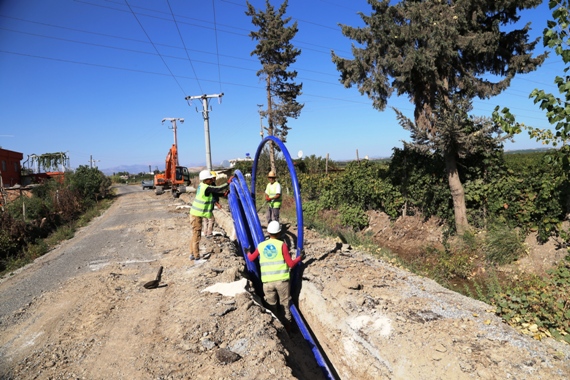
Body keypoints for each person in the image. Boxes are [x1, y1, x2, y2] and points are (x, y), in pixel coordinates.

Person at [247, 221, 303, 333]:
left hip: (267, 282)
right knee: (285, 305)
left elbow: (251, 258)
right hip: (282, 281)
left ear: (268, 232)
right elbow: (291, 264)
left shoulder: (261, 245)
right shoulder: (282, 245)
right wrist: (299, 258)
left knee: (271, 307)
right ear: (279, 232)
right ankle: (287, 329)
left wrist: (248, 252)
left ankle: (278, 330)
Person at [189, 170, 230, 260]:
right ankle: (196, 256)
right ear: (206, 179)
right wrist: (228, 183)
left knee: (195, 234)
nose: (212, 180)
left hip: (196, 214)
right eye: (210, 179)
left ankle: (192, 253)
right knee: (197, 235)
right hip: (196, 215)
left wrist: (223, 194)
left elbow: (214, 193)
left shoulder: (203, 186)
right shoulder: (206, 187)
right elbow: (217, 189)